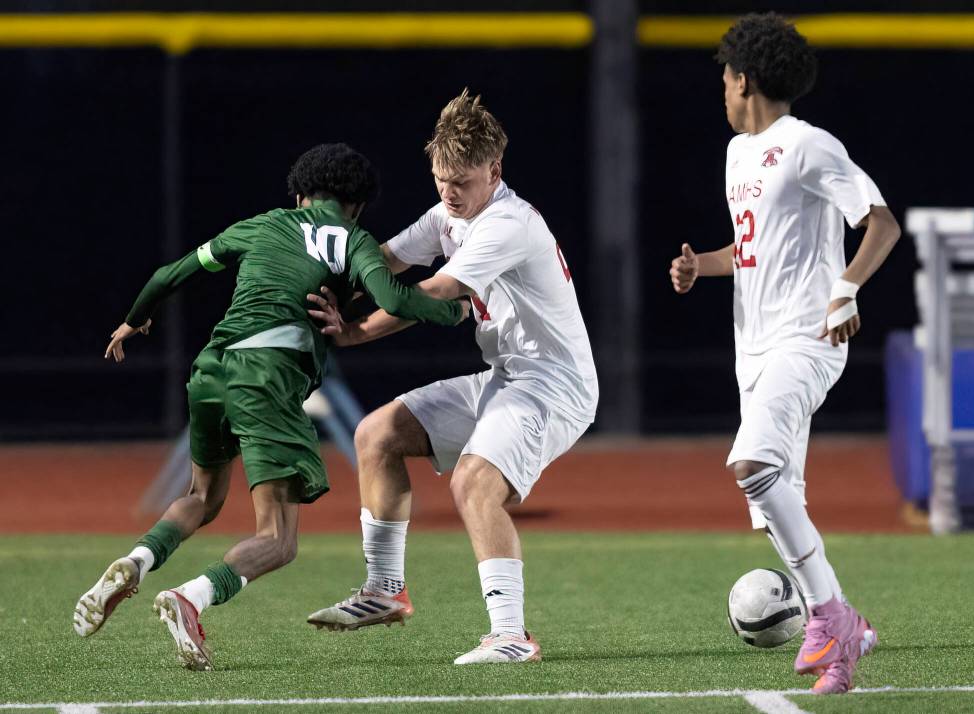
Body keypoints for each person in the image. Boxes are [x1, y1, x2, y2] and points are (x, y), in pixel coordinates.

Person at [73, 143, 467, 671]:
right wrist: (454, 314)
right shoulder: (353, 239)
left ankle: (137, 560)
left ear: (301, 194)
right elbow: (394, 301)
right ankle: (190, 598)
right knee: (279, 541)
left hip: (213, 367)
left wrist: (135, 319)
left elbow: (170, 274)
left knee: (202, 496)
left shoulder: (259, 225)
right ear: (355, 206)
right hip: (269, 376)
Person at [304, 90, 598, 664]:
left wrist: (359, 322)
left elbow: (436, 291)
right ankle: (384, 592)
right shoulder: (451, 214)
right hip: (506, 377)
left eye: (461, 181)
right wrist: (316, 283)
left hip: (553, 387)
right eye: (440, 179)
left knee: (473, 483)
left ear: (495, 171)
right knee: (376, 434)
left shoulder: (507, 223)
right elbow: (385, 262)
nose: (448, 193)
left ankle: (511, 636)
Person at [669, 14, 901, 694]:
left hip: (808, 337)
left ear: (745, 79)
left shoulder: (808, 145)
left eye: (724, 75)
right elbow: (751, 252)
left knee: (752, 464)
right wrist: (701, 267)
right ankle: (841, 636)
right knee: (772, 502)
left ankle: (831, 615)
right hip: (755, 348)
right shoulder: (739, 153)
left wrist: (847, 288)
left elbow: (881, 222)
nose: (720, 87)